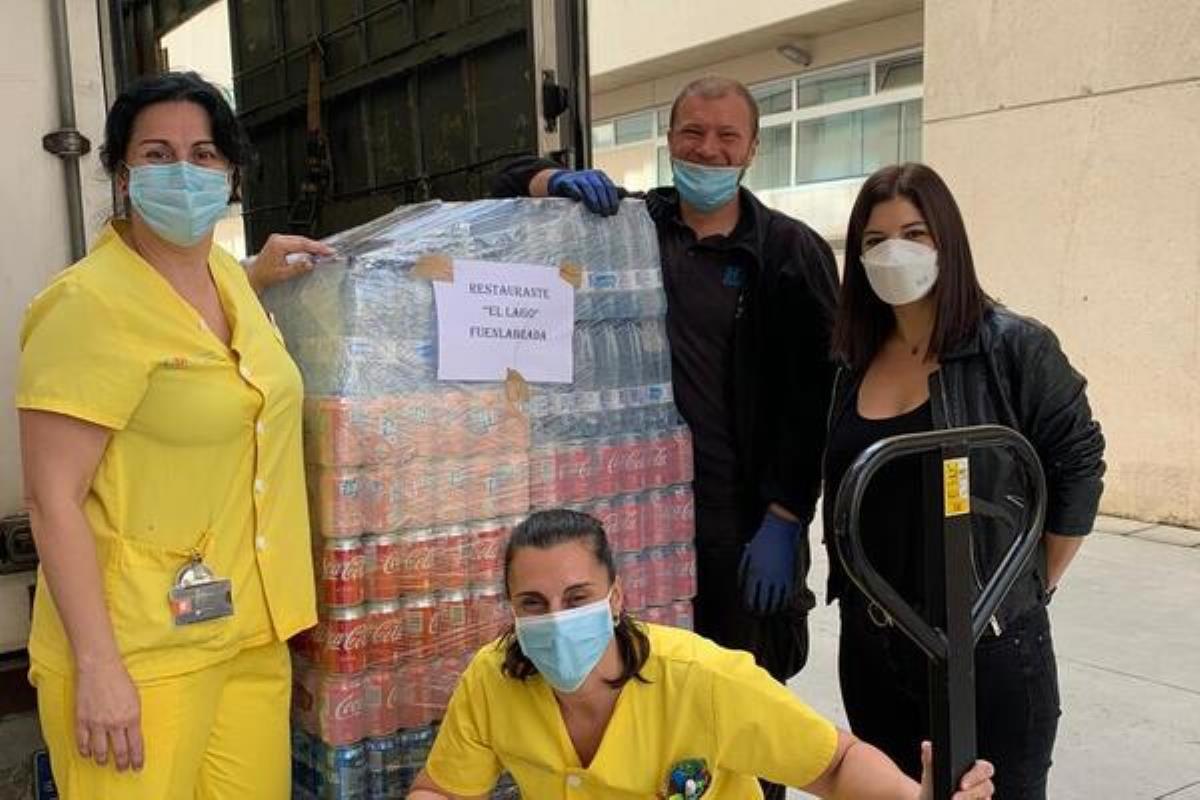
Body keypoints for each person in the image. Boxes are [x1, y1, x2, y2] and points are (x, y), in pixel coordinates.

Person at [494, 81, 838, 799]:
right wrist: (550, 178)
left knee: (745, 706)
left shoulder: (788, 253)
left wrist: (785, 517)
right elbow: (497, 185)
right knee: (646, 700)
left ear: (752, 149)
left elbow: (815, 400)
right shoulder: (628, 222)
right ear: (669, 135)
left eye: (726, 137)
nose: (707, 150)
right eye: (691, 133)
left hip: (743, 526)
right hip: (641, 522)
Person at [17, 71, 333, 799]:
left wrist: (255, 273)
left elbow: (194, 358)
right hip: (137, 652)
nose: (183, 172)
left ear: (231, 175)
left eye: (204, 154)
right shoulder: (86, 306)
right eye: (157, 155)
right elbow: (50, 499)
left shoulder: (224, 279)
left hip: (250, 630)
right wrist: (99, 667)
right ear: (123, 176)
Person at [822, 162, 1105, 799]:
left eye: (915, 233)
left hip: (986, 652)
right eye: (875, 240)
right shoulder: (852, 361)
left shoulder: (1013, 348)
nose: (895, 251)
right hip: (874, 649)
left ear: (948, 240)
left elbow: (1080, 464)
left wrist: (1026, 584)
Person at [405, 509, 995, 799]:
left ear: (615, 599)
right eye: (532, 603)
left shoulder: (704, 680)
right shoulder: (493, 681)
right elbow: (441, 789)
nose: (555, 619)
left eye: (576, 597)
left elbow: (835, 764)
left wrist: (914, 798)